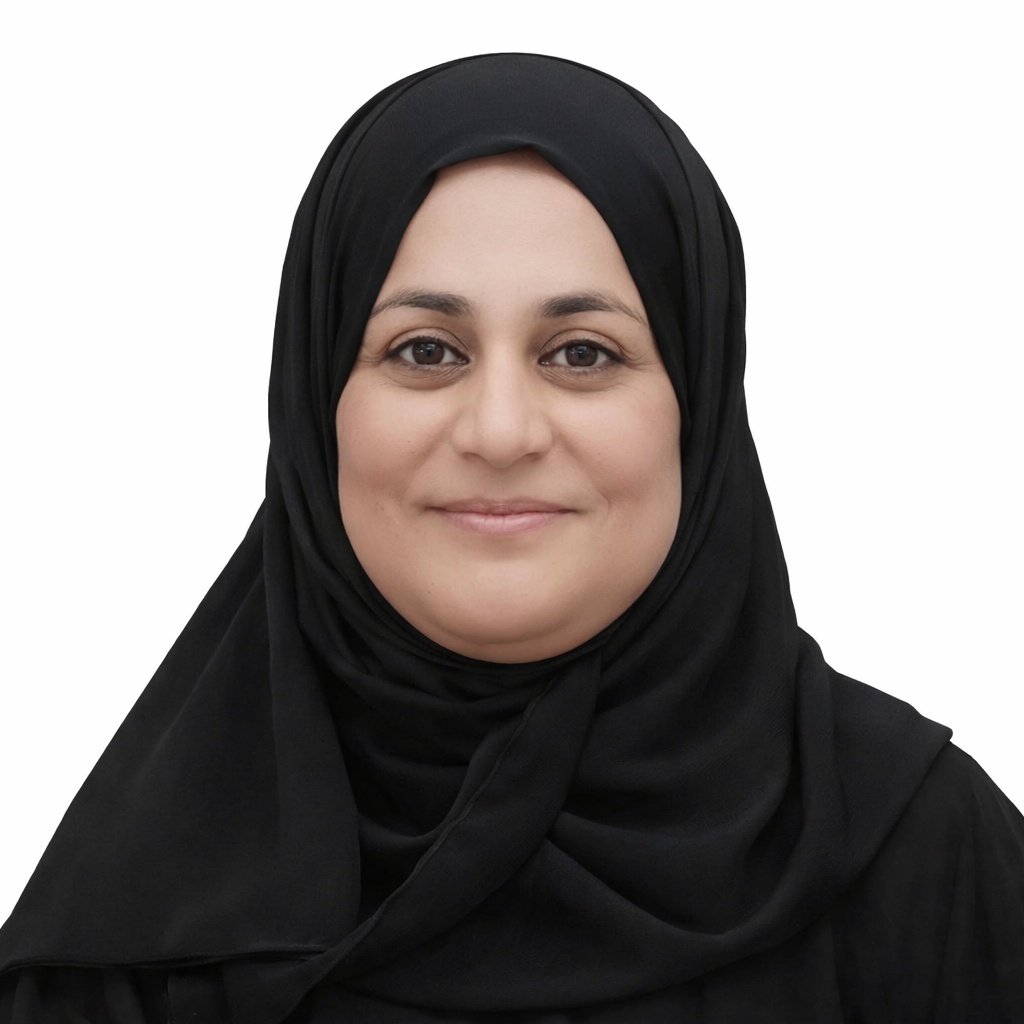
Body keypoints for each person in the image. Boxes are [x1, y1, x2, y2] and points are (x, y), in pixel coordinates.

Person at [0, 51, 1021, 1023]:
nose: (499, 432)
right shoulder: (139, 931)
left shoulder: (928, 859)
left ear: (698, 407)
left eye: (581, 353)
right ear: (316, 406)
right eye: (425, 351)